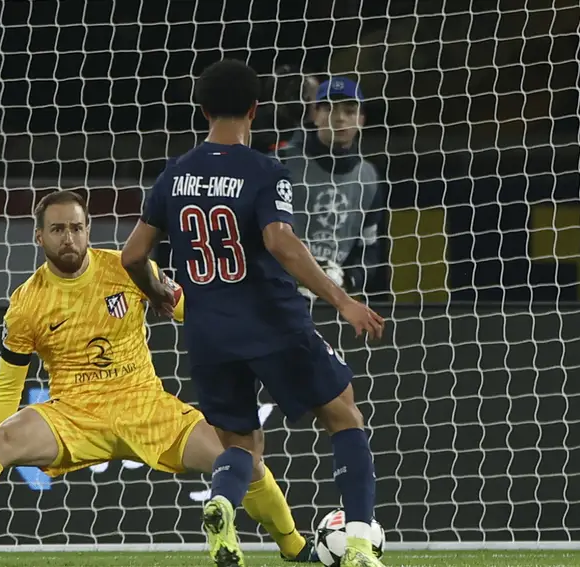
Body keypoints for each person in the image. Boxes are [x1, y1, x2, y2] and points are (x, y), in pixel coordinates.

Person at [0, 190, 319, 567]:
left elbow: (191, 309)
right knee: (1, 443)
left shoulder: (128, 268)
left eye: (76, 227)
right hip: (75, 414)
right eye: (57, 230)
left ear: (88, 229)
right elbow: (9, 385)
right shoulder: (26, 304)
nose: (68, 238)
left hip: (146, 406)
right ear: (39, 238)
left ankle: (295, 548)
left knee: (241, 457)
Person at [121, 59, 387, 567]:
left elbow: (133, 256)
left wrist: (156, 291)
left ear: (202, 110)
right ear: (254, 110)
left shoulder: (174, 174)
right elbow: (280, 242)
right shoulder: (266, 170)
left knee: (241, 442)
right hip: (272, 320)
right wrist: (343, 299)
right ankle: (357, 547)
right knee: (344, 414)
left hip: (207, 334)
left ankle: (222, 506)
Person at [278, 77, 385, 303]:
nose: (339, 118)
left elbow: (369, 248)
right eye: (330, 109)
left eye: (349, 110)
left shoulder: (369, 177)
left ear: (361, 119)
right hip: (280, 294)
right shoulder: (282, 163)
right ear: (315, 114)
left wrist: (347, 280)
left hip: (334, 300)